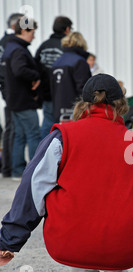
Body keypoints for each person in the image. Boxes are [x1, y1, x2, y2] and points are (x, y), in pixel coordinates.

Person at [0, 74, 133, 272]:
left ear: (84, 104)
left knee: (71, 200)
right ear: (121, 105)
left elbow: (33, 188)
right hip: (129, 243)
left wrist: (9, 239)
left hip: (70, 242)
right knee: (123, 206)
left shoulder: (63, 137)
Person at [1, 17, 42, 181]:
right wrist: (36, 76)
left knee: (19, 135)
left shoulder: (9, 48)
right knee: (33, 134)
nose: (34, 36)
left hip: (12, 99)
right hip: (23, 100)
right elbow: (19, 70)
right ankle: (34, 170)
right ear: (24, 31)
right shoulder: (18, 50)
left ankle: (17, 171)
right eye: (32, 32)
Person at [35, 16, 73, 139]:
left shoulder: (43, 46)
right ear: (67, 29)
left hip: (46, 93)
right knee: (64, 126)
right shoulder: (67, 48)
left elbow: (35, 68)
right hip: (63, 94)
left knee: (47, 123)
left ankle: (43, 151)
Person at [0, 13, 24, 178]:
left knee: (11, 128)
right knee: (14, 128)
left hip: (8, 90)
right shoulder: (10, 43)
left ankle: (8, 167)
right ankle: (10, 168)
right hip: (12, 91)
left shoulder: (6, 42)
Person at [51, 32, 92, 123]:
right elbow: (84, 88)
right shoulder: (79, 62)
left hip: (59, 109)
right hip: (75, 110)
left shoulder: (57, 62)